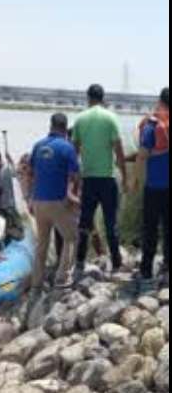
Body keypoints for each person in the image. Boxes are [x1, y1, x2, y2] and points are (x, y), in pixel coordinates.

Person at [72, 84, 128, 275]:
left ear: (88, 98)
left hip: (88, 179)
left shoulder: (80, 119)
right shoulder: (111, 117)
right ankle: (117, 264)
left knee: (85, 223)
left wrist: (74, 180)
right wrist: (126, 177)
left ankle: (79, 263)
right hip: (107, 178)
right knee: (110, 222)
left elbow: (75, 152)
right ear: (103, 98)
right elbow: (118, 150)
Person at [29, 113, 82, 293]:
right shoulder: (67, 147)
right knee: (72, 237)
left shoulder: (37, 146)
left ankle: (36, 284)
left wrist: (30, 197)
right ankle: (62, 277)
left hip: (38, 202)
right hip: (57, 202)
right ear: (65, 128)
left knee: (42, 243)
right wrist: (74, 197)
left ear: (50, 126)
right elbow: (75, 175)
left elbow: (30, 173)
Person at [137, 87, 170, 283]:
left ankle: (146, 270)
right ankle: (167, 266)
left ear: (160, 102)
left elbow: (142, 154)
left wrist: (135, 180)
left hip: (154, 186)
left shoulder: (152, 124)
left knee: (150, 228)